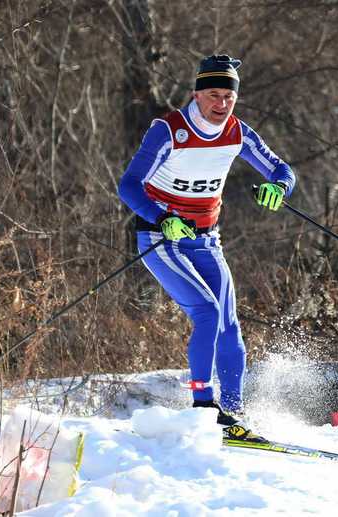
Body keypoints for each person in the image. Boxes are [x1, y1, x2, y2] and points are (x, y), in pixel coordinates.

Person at [118, 55, 296, 433]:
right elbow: (129, 185)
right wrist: (162, 218)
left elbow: (283, 171)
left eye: (228, 97)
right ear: (196, 94)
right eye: (213, 95)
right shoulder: (169, 131)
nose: (221, 104)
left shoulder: (238, 133)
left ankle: (232, 414)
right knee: (207, 312)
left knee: (229, 326)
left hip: (206, 239)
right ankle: (203, 407)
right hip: (160, 237)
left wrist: (277, 188)